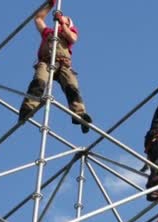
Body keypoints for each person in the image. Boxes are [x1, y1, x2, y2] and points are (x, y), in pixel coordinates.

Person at [18, 0, 93, 134]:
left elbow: (73, 38)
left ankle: (79, 114)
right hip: (46, 62)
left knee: (72, 87)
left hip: (64, 64)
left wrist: (63, 23)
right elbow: (38, 18)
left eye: (65, 20)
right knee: (38, 82)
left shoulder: (69, 32)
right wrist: (50, 4)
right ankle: (28, 108)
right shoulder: (48, 33)